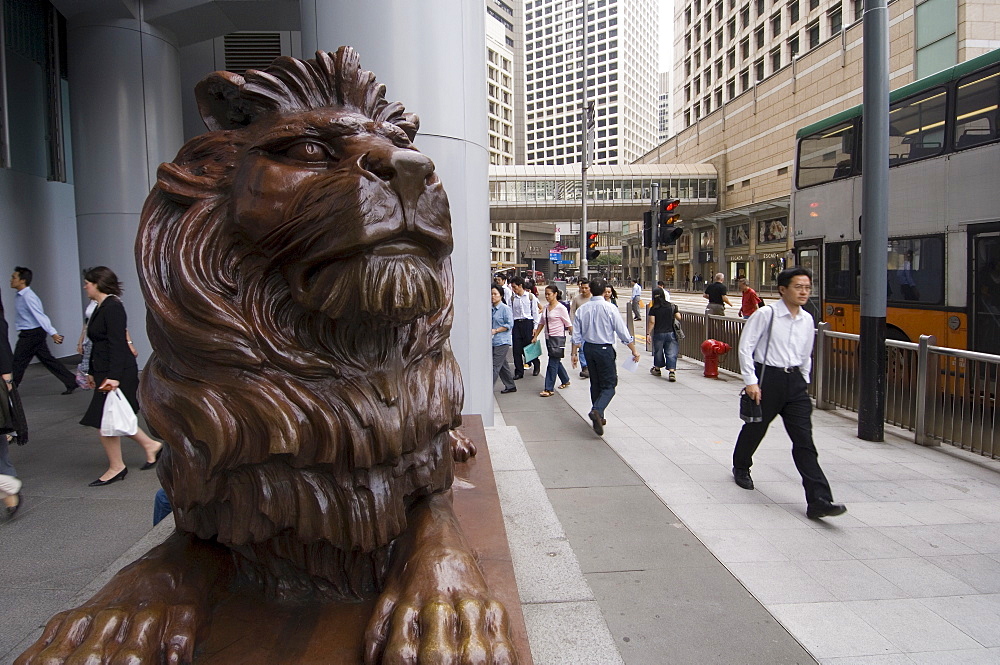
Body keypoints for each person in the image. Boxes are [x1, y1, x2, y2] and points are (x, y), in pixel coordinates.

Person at [732, 267, 847, 520]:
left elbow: (807, 353)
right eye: (799, 287)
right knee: (756, 428)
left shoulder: (807, 319)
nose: (804, 291)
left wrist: (803, 381)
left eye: (807, 287)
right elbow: (746, 347)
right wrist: (751, 381)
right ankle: (741, 466)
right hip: (767, 379)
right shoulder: (766, 314)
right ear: (783, 289)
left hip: (795, 383)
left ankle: (819, 500)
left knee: (804, 442)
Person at [78, 267, 163, 487]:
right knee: (112, 418)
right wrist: (90, 372)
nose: (85, 286)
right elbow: (97, 343)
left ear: (98, 283)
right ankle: (150, 446)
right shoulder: (100, 307)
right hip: (105, 372)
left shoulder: (112, 307)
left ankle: (117, 467)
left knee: (103, 420)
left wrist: (113, 377)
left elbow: (117, 343)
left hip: (116, 373)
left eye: (88, 282)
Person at [571, 277, 640, 435]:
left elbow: (576, 334)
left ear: (590, 290)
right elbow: (622, 331)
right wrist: (633, 349)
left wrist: (574, 353)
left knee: (595, 382)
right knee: (609, 385)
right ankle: (597, 410)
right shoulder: (610, 308)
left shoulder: (583, 309)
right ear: (604, 291)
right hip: (604, 349)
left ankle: (599, 416)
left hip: (588, 348)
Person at [9, 266, 78, 394]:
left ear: (22, 281)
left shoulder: (28, 297)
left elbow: (40, 315)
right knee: (48, 360)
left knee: (18, 363)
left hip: (31, 334)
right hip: (32, 333)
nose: (11, 280)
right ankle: (71, 381)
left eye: (14, 277)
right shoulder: (20, 296)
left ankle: (10, 391)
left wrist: (53, 333)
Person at [532, 285, 572, 396]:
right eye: (546, 294)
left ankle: (549, 388)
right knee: (555, 360)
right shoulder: (545, 307)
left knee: (552, 362)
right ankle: (565, 379)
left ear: (555, 294)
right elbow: (541, 323)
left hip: (558, 338)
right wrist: (536, 336)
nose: (547, 296)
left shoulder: (561, 308)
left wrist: (575, 339)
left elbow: (568, 323)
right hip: (548, 337)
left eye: (549, 294)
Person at [509, 276, 541, 379]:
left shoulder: (530, 297)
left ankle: (536, 364)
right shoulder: (512, 298)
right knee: (517, 349)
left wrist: (535, 327)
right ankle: (519, 371)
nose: (514, 290)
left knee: (529, 347)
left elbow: (535, 313)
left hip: (528, 323)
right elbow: (510, 313)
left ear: (520, 286)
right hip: (516, 324)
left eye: (515, 287)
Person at [648, 287, 681, 382]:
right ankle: (671, 372)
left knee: (658, 351)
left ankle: (657, 369)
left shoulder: (653, 308)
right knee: (671, 352)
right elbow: (679, 317)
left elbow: (652, 322)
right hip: (670, 333)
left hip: (658, 333)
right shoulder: (672, 306)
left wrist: (648, 333)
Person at [490, 284, 517, 394]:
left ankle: (487, 389)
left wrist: (496, 330)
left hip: (502, 341)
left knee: (495, 366)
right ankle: (510, 385)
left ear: (501, 295)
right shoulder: (490, 308)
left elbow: (509, 324)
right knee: (502, 365)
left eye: (495, 294)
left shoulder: (505, 309)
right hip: (492, 341)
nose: (493, 296)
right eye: (491, 294)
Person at [570, 280, 592, 379]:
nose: (584, 290)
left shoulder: (593, 299)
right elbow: (572, 312)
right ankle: (585, 367)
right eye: (582, 288)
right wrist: (572, 326)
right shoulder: (577, 299)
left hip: (592, 327)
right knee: (582, 347)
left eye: (586, 288)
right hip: (580, 327)